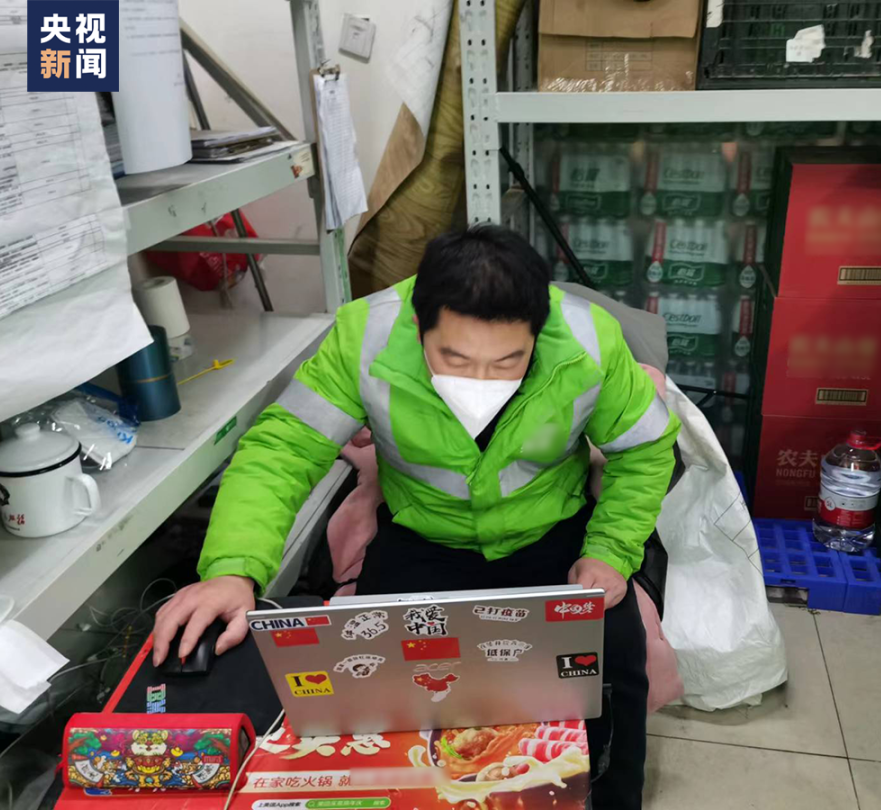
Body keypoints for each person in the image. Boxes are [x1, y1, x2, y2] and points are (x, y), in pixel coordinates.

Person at [152, 225, 680, 809]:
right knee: (370, 685)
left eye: (508, 361)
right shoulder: (365, 336)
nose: (480, 382)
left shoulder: (588, 341)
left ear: (539, 330)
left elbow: (646, 450)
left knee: (613, 661)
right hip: (422, 536)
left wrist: (609, 552)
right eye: (455, 358)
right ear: (418, 323)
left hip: (553, 538)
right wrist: (232, 569)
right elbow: (283, 451)